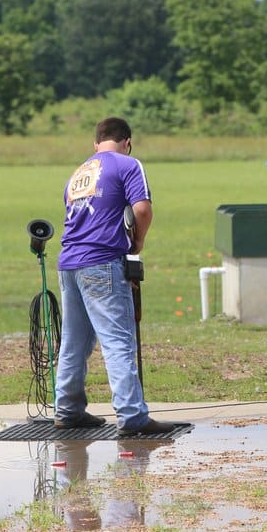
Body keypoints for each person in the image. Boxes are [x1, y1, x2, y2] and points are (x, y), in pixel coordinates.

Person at [54, 117, 175, 436]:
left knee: (74, 341)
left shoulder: (80, 172)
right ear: (128, 142)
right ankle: (132, 416)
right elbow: (143, 210)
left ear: (95, 145)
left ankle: (67, 410)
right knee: (118, 339)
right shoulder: (128, 164)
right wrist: (138, 242)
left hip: (68, 262)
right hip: (102, 260)